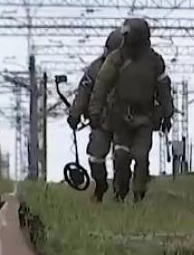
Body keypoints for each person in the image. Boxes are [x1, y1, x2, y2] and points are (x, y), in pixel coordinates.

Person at [88, 17, 175, 203]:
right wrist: (95, 111)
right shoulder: (116, 59)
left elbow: (163, 88)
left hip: (145, 117)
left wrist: (167, 112)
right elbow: (101, 85)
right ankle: (120, 192)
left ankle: (139, 193)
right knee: (121, 157)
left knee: (141, 157)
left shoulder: (154, 61)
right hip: (120, 118)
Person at [67, 28, 123, 202]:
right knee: (96, 155)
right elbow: (84, 91)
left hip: (125, 121)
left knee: (122, 158)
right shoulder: (96, 68)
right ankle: (100, 185)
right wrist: (75, 113)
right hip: (101, 119)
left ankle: (120, 193)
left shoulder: (132, 69)